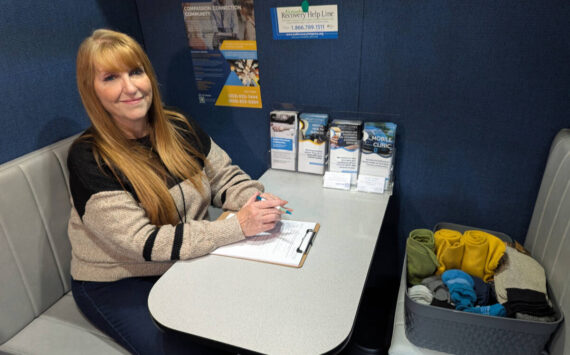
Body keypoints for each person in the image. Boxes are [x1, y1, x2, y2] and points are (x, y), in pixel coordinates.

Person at [68, 28, 289, 354]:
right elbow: (142, 243)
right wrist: (235, 226)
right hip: (117, 280)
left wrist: (254, 199)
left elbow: (224, 178)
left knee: (251, 323)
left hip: (183, 263)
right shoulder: (89, 157)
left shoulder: (179, 126)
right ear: (92, 90)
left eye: (135, 72)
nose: (130, 88)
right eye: (111, 77)